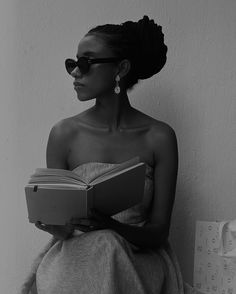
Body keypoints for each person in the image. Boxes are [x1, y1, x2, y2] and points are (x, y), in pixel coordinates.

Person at [18, 15, 186, 294]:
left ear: (120, 68)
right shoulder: (64, 134)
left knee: (107, 245)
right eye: (72, 63)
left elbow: (158, 232)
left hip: (134, 257)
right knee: (98, 248)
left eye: (86, 62)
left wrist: (110, 228)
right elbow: (65, 232)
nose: (75, 72)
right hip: (75, 257)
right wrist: (50, 224)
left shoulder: (159, 137)